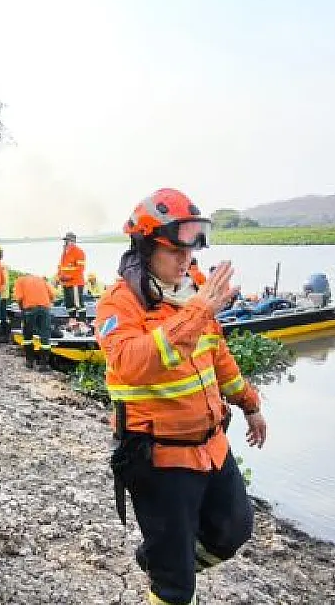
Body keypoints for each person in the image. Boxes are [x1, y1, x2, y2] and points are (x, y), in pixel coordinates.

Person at [96, 188, 268, 605]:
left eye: (189, 252)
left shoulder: (194, 295)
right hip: (158, 457)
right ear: (146, 248)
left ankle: (158, 558)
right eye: (175, 252)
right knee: (176, 587)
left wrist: (250, 403)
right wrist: (198, 312)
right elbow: (131, 362)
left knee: (234, 529)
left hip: (211, 446)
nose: (186, 261)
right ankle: (169, 569)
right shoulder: (119, 304)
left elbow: (218, 357)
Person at [12, 272, 56, 371]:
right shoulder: (41, 280)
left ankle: (29, 362)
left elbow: (19, 297)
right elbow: (52, 294)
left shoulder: (20, 280)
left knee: (28, 335)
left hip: (29, 309)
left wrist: (22, 309)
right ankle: (43, 365)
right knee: (45, 335)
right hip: (45, 308)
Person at [57, 231, 87, 325]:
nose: (66, 242)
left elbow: (81, 268)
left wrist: (69, 277)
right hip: (65, 283)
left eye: (68, 240)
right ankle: (72, 320)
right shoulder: (64, 252)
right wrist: (60, 276)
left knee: (78, 303)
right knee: (69, 303)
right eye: (66, 240)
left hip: (75, 283)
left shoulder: (79, 252)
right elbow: (60, 267)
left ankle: (82, 322)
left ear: (73, 241)